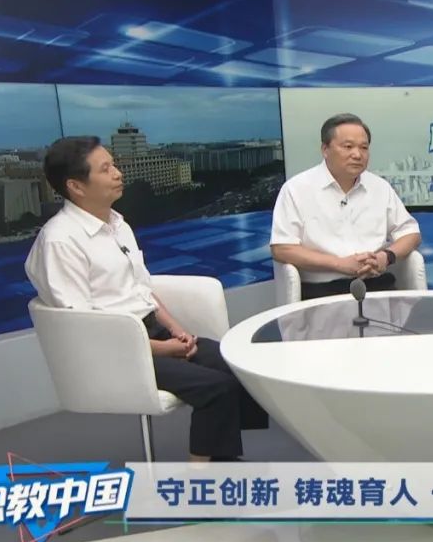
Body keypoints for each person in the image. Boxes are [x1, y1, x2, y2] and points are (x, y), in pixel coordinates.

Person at [25, 136, 268, 462]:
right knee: (216, 387)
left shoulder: (117, 224)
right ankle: (199, 477)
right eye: (105, 169)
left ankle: (223, 460)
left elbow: (142, 289)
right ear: (76, 186)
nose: (118, 173)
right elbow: (85, 329)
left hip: (150, 333)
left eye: (115, 165)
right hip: (114, 350)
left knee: (236, 364)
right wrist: (165, 349)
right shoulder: (60, 241)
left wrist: (177, 330)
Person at [270, 113, 421, 300]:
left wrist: (386, 257)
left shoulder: (380, 187)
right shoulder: (296, 189)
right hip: (322, 291)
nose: (357, 154)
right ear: (325, 149)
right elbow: (282, 248)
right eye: (348, 147)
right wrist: (339, 264)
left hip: (377, 286)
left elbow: (411, 233)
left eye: (364, 148)